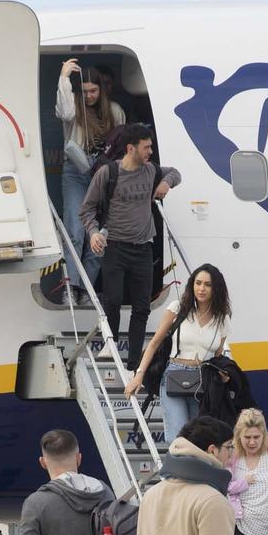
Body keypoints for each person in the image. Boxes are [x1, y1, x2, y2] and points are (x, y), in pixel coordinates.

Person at [80, 124, 180, 367]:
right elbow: (87, 209)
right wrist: (93, 233)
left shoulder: (151, 170)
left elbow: (176, 173)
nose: (150, 151)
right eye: (146, 147)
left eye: (151, 146)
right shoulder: (108, 173)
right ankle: (111, 344)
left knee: (141, 307)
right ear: (130, 148)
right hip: (115, 247)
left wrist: (166, 183)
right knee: (113, 300)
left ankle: (135, 362)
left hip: (143, 248)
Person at [128, 263, 232, 449]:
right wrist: (139, 374)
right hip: (174, 374)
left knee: (200, 440)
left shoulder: (222, 319)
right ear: (192, 284)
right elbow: (154, 343)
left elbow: (218, 358)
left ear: (216, 288)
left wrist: (225, 375)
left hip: (203, 380)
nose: (201, 288)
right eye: (198, 283)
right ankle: (177, 477)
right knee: (178, 439)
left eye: (207, 284)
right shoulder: (178, 308)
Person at [54, 60, 125, 280]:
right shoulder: (74, 107)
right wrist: (64, 78)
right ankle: (72, 286)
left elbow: (124, 145)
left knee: (100, 233)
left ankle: (87, 289)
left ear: (101, 89)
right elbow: (63, 112)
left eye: (93, 90)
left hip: (104, 175)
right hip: (76, 171)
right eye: (84, 91)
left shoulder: (114, 110)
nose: (89, 96)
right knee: (75, 230)